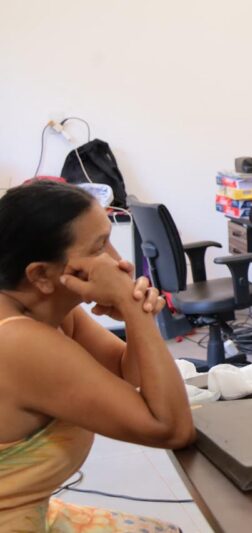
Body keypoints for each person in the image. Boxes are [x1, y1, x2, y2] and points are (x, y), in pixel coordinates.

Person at [0, 180, 195, 531]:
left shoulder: (47, 312)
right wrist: (133, 310)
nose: (120, 264)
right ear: (41, 274)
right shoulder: (19, 341)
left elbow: (128, 373)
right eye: (99, 247)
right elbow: (170, 428)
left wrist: (137, 315)